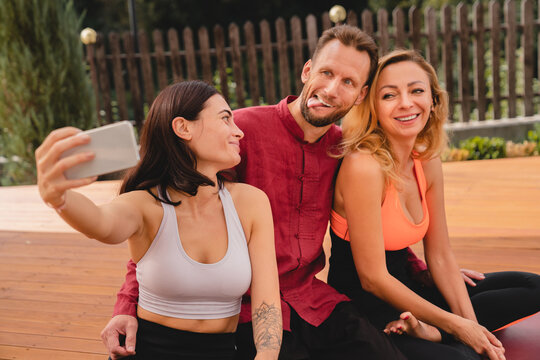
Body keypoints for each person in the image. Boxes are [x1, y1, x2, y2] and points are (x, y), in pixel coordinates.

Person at [102, 25, 410, 360]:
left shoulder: (345, 150)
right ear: (307, 71)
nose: (332, 89)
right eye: (326, 73)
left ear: (361, 95)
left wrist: (418, 267)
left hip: (314, 299)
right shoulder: (238, 135)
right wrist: (126, 305)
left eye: (348, 82)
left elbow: (372, 222)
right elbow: (165, 217)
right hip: (247, 311)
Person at [36, 81, 282, 359]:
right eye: (225, 118)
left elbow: (267, 301)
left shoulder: (252, 202)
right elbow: (101, 224)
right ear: (183, 127)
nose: (238, 131)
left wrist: (267, 354)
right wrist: (59, 198)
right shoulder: (145, 204)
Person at [328, 49, 540, 360]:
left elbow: (439, 255)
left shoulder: (425, 160)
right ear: (373, 105)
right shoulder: (364, 166)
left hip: (412, 289)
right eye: (389, 95)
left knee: (532, 287)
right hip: (368, 307)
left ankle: (433, 332)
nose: (405, 103)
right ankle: (434, 332)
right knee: (461, 358)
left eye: (416, 90)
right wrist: (459, 327)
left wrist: (469, 327)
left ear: (433, 100)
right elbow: (372, 278)